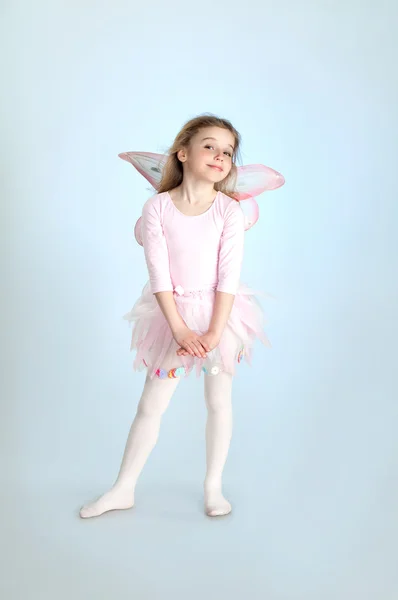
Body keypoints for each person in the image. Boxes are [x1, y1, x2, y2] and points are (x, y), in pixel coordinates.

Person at [79, 114, 269, 519]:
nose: (220, 156)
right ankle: (123, 487)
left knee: (218, 401)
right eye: (209, 146)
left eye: (228, 152)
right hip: (172, 319)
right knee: (151, 405)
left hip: (220, 318)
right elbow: (159, 276)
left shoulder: (228, 212)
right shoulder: (158, 208)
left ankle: (213, 487)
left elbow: (227, 277)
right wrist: (179, 328)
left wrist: (215, 331)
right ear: (183, 153)